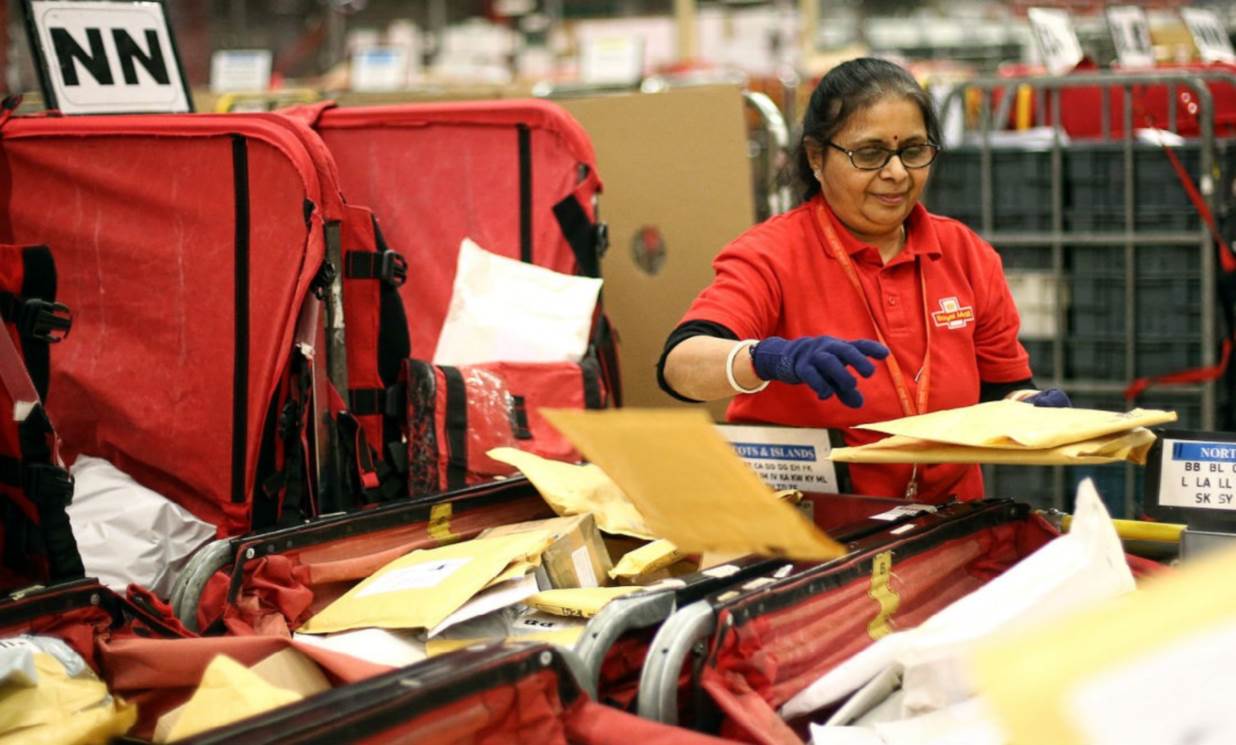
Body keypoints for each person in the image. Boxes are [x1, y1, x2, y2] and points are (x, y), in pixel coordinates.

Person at [657, 57, 1069, 503]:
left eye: (913, 150)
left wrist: (1026, 407)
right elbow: (680, 366)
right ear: (816, 156)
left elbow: (1000, 387)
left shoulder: (964, 254)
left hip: (946, 521)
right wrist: (770, 358)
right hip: (805, 527)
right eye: (869, 154)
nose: (897, 173)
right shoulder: (771, 254)